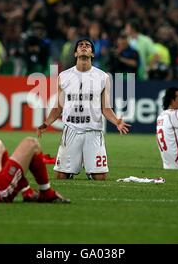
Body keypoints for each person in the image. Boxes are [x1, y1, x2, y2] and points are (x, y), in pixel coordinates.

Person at [37, 38, 130, 180]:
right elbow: (59, 106)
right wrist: (47, 122)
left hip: (93, 131)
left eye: (88, 45)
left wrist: (116, 121)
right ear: (75, 53)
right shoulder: (64, 76)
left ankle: (90, 172)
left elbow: (105, 108)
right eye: (80, 45)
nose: (84, 47)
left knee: (100, 178)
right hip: (71, 130)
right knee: (61, 176)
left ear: (92, 54)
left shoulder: (103, 77)